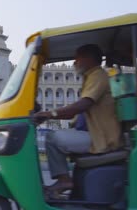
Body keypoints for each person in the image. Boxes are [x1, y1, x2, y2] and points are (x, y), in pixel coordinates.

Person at [34, 44, 123, 198]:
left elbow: (83, 105)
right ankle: (64, 180)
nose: (75, 63)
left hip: (100, 138)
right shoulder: (90, 77)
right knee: (57, 135)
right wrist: (46, 115)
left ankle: (64, 180)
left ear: (89, 59)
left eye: (77, 58)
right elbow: (74, 113)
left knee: (52, 138)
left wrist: (50, 113)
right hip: (93, 134)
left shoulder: (98, 76)